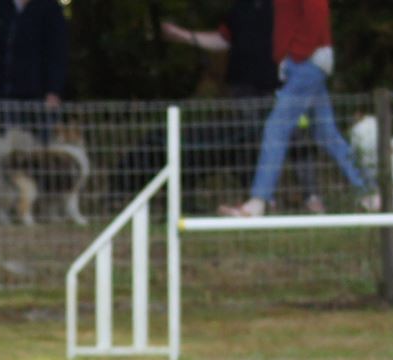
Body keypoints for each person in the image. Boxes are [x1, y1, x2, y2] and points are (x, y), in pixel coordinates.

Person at [212, 0, 378, 217]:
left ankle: (258, 201)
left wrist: (297, 54)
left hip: (306, 62)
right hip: (305, 62)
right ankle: (370, 193)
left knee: (275, 128)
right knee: (326, 133)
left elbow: (317, 11)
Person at [161, 0, 325, 212]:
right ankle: (261, 200)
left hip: (282, 86)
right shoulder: (239, 9)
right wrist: (185, 36)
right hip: (244, 88)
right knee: (248, 142)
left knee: (298, 139)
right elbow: (223, 40)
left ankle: (311, 196)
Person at [0, 0, 69, 139]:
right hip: (6, 93)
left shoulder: (50, 7)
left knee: (41, 151)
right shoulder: (0, 6)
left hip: (39, 96)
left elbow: (57, 51)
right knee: (9, 150)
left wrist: (53, 90)